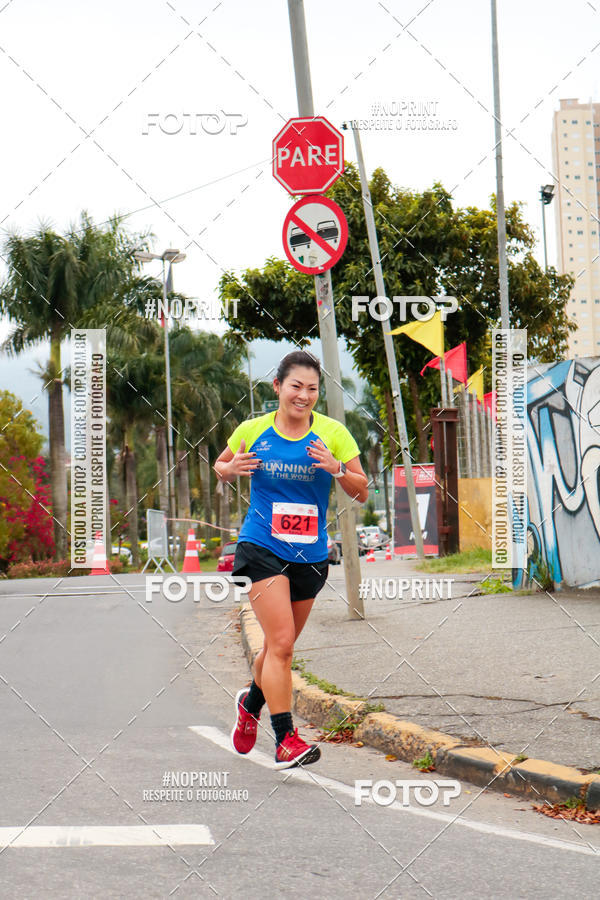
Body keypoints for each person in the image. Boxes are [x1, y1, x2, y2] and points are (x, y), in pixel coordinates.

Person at [214, 350, 369, 768]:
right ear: (278, 387)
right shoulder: (254, 429)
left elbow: (362, 490)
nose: (303, 395)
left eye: (312, 389)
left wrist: (337, 468)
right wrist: (230, 471)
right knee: (281, 645)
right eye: (295, 386)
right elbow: (220, 465)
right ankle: (286, 739)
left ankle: (250, 704)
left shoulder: (334, 433)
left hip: (311, 556)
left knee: (279, 650)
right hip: (261, 547)